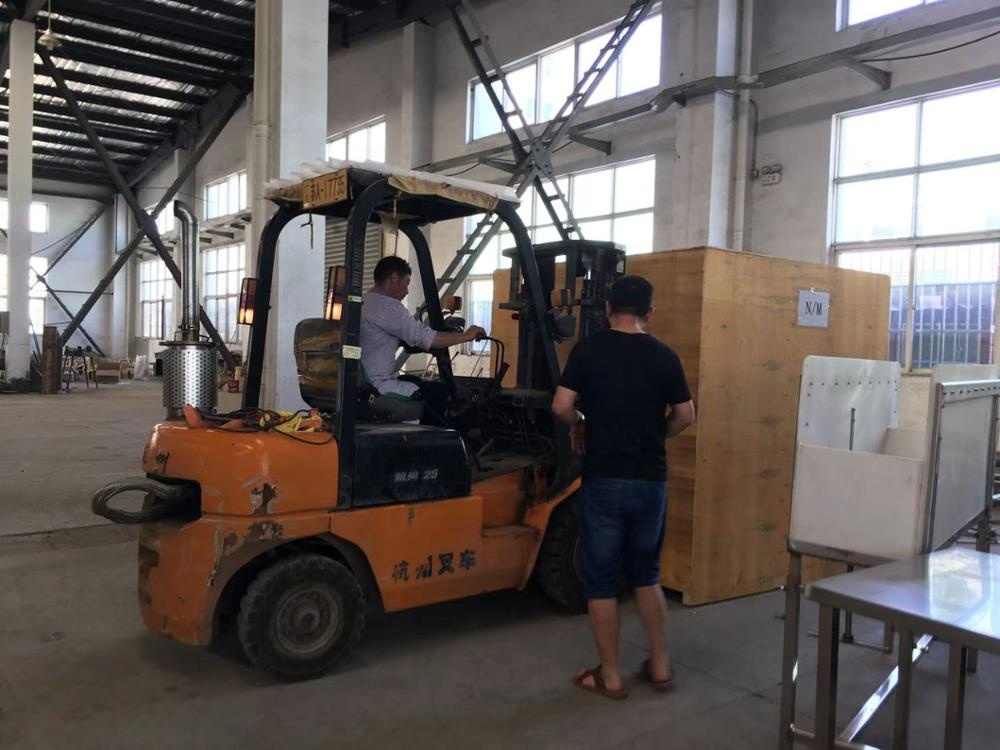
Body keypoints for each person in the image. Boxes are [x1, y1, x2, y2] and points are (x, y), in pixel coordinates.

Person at [551, 274, 696, 701]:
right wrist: (657, 435)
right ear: (650, 312)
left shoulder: (588, 350)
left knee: (600, 580)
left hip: (604, 478)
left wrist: (580, 423)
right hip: (650, 480)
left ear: (608, 309)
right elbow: (686, 414)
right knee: (647, 574)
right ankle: (660, 665)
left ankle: (611, 676)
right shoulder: (664, 355)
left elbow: (561, 405)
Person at [361, 256, 485, 423]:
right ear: (394, 278)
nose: (407, 291)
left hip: (366, 380)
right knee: (439, 393)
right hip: (378, 386)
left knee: (416, 380)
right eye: (406, 283)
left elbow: (399, 336)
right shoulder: (388, 307)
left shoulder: (365, 302)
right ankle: (441, 437)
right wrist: (467, 336)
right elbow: (428, 339)